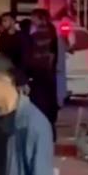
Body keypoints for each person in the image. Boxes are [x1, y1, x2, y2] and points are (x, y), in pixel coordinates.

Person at [26, 9, 59, 141]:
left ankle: (43, 132)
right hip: (46, 71)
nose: (32, 20)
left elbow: (36, 50)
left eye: (33, 17)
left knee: (40, 102)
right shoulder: (51, 31)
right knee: (48, 102)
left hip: (40, 70)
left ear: (39, 18)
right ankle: (50, 133)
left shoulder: (40, 33)